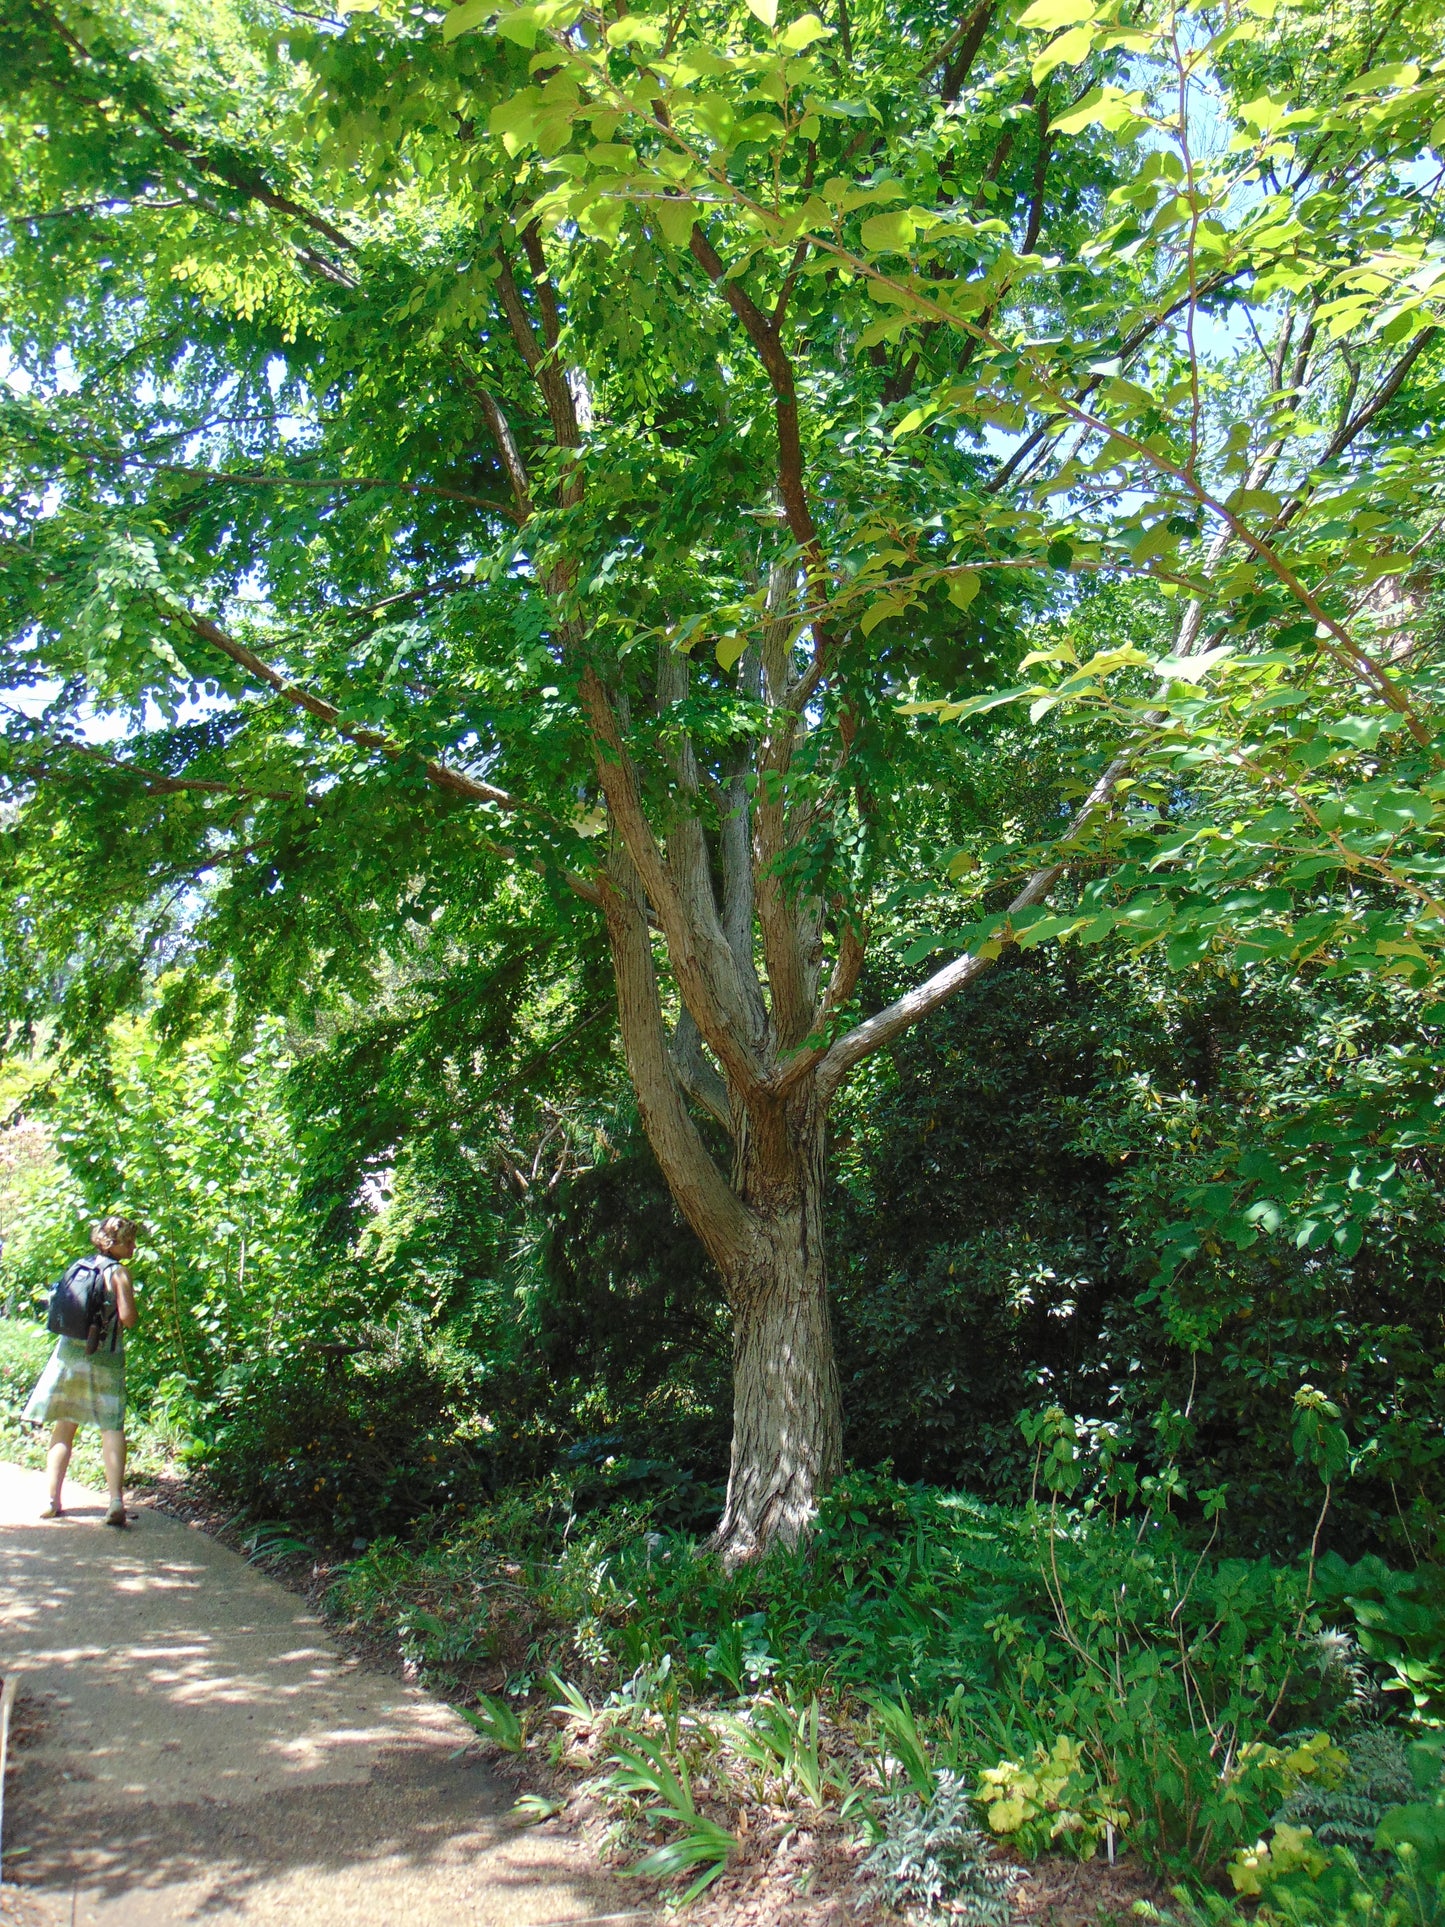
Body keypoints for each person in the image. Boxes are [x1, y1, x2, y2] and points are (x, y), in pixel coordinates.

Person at [23, 1216, 140, 1528]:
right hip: (106, 1356)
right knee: (112, 1427)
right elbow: (128, 1318)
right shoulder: (119, 1273)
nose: (134, 1246)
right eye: (129, 1241)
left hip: (69, 1353)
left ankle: (52, 1500)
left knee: (64, 1424)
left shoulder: (80, 1266)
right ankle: (115, 1501)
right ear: (115, 1243)